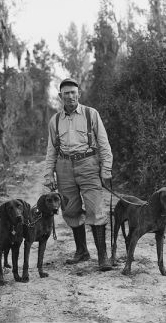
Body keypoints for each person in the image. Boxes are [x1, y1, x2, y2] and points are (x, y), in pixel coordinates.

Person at [43, 78, 113, 271]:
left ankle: (103, 257)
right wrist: (48, 175)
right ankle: (81, 251)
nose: (70, 96)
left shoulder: (91, 114)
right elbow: (51, 150)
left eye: (73, 92)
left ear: (79, 94)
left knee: (95, 209)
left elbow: (104, 143)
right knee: (70, 210)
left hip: (88, 164)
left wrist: (106, 169)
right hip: (64, 166)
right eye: (66, 93)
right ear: (60, 96)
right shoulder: (55, 120)